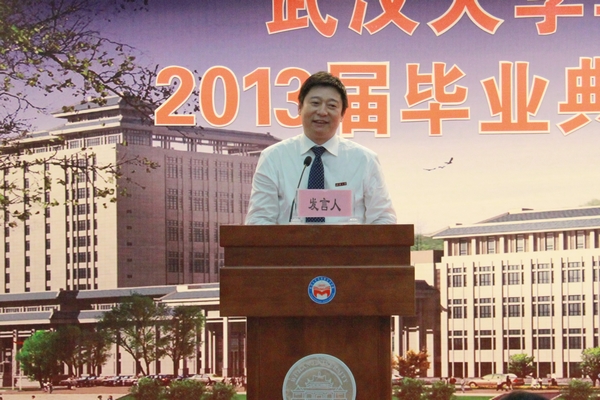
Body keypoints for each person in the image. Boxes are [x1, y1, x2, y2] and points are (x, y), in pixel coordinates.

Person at [245, 71, 396, 225]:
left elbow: (383, 219)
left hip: (348, 242)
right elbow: (259, 220)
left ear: (342, 114)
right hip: (291, 241)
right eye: (315, 103)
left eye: (332, 106)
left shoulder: (364, 160)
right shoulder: (273, 158)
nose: (322, 112)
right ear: (300, 108)